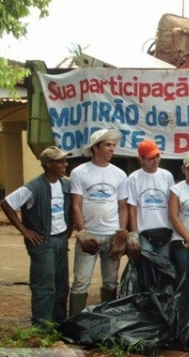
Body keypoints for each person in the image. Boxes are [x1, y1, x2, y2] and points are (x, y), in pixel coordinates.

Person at [0, 146, 72, 328]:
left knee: (61, 285)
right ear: (49, 164)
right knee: (44, 286)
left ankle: (58, 323)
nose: (65, 164)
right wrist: (25, 230)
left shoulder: (65, 184)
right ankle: (41, 328)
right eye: (61, 161)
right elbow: (7, 204)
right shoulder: (33, 187)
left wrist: (68, 232)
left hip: (60, 240)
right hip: (43, 242)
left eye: (65, 160)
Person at [69, 128, 129, 316]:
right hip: (90, 235)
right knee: (81, 281)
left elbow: (123, 207)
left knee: (111, 281)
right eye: (108, 145)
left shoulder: (119, 174)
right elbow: (76, 205)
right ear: (95, 148)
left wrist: (121, 232)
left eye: (113, 145)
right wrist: (82, 232)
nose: (112, 149)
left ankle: (107, 320)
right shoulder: (80, 172)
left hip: (112, 235)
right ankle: (75, 321)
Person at [127, 139, 175, 259]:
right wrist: (134, 234)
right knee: (147, 267)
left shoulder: (167, 176)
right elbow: (132, 208)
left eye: (157, 156)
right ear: (142, 159)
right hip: (144, 232)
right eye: (151, 158)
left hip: (165, 229)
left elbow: (173, 204)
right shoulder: (134, 178)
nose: (156, 160)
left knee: (165, 268)